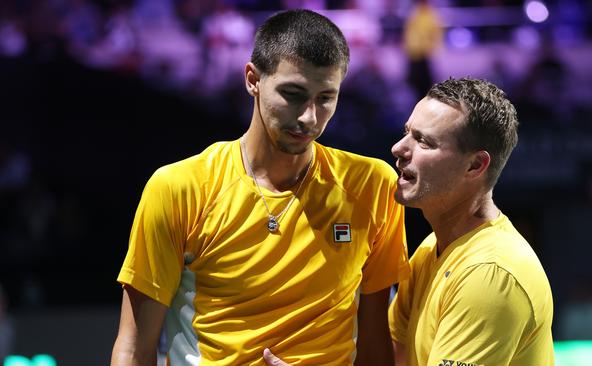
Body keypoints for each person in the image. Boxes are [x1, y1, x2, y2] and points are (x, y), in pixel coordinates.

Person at [110, 9, 409, 366]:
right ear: (253, 79)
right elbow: (133, 347)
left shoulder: (372, 186)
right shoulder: (179, 188)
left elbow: (376, 342)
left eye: (325, 98)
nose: (309, 117)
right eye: (293, 94)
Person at [388, 78, 554, 365]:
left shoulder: (490, 273)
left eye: (424, 141)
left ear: (475, 165)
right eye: (407, 133)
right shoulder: (432, 248)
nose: (398, 148)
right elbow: (392, 358)